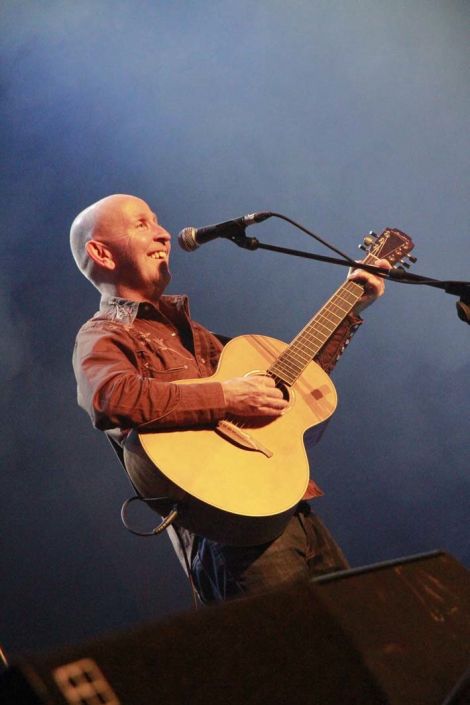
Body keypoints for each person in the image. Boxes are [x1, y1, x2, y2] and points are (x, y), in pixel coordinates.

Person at [70, 193, 388, 603]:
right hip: (228, 536)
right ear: (101, 251)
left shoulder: (197, 335)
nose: (164, 234)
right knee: (301, 659)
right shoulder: (104, 334)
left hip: (290, 508)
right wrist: (227, 396)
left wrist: (351, 305)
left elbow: (289, 386)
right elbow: (110, 397)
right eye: (142, 224)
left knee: (366, 641)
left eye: (159, 221)